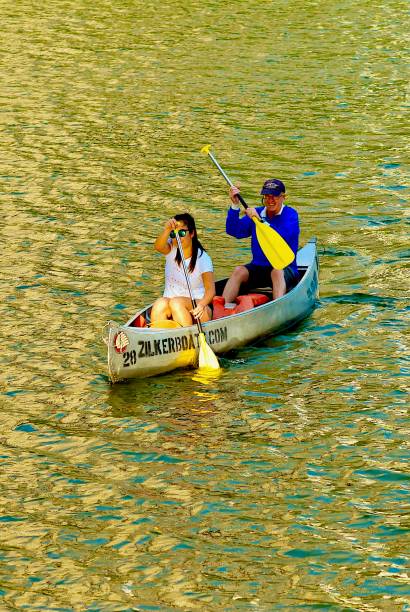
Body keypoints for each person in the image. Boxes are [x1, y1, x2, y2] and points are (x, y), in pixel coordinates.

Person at [223, 178, 300, 303]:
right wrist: (235, 205)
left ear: (283, 197)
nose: (270, 201)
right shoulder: (257, 212)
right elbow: (234, 231)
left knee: (277, 271)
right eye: (267, 197)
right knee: (239, 271)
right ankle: (222, 308)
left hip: (285, 268)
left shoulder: (291, 214)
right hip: (259, 267)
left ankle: (278, 310)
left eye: (274, 196)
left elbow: (284, 235)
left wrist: (259, 220)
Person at [151, 213, 215, 327]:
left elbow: (210, 290)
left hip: (198, 309)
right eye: (173, 234)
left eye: (181, 233)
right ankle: (158, 336)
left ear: (192, 233)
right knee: (159, 304)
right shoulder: (171, 249)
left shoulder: (203, 258)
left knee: (176, 303)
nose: (177, 237)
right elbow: (158, 246)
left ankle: (188, 339)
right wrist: (167, 230)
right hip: (170, 305)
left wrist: (201, 305)